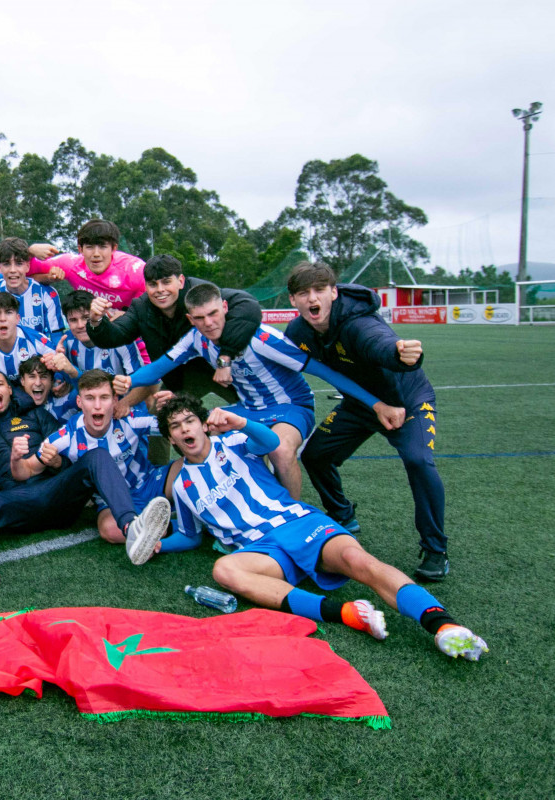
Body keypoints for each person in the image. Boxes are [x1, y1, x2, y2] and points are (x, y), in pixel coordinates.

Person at [149, 394, 487, 661]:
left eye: (189, 420)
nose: (184, 429)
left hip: (298, 522)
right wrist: (162, 545)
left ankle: (442, 625)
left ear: (202, 424)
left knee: (361, 563)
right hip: (262, 550)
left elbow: (270, 443)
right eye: (175, 426)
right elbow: (191, 536)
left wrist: (242, 422)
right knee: (225, 569)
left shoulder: (235, 443)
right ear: (171, 438)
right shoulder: (182, 486)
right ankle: (347, 613)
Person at [128, 282, 403, 500]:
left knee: (281, 451)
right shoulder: (195, 339)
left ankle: (293, 517)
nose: (208, 323)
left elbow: (326, 373)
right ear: (190, 318)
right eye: (199, 318)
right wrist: (124, 383)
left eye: (213, 313)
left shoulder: (262, 339)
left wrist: (377, 405)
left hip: (290, 408)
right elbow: (157, 369)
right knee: (194, 434)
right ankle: (217, 501)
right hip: (248, 409)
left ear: (225, 307)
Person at [285, 262, 451, 581]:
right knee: (315, 455)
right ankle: (343, 517)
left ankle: (435, 550)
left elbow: (380, 342)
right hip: (362, 404)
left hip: (407, 403)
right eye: (303, 293)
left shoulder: (357, 322)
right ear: (294, 301)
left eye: (319, 290)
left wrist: (399, 352)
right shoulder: (297, 332)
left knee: (418, 459)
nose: (312, 298)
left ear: (333, 292)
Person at [0, 369, 169, 589]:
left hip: (55, 495)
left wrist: (57, 463)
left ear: (10, 389)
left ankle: (132, 527)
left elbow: (71, 458)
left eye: (0, 384)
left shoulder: (37, 416)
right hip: (17, 504)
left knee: (96, 455)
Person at [86, 254, 262, 406]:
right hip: (176, 380)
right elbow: (115, 336)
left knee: (250, 412)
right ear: (146, 286)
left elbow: (247, 305)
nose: (160, 290)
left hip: (221, 372)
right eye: (153, 284)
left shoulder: (198, 294)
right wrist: (96, 319)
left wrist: (225, 356)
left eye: (166, 282)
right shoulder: (141, 307)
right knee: (164, 418)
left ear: (181, 281)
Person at [26, 370, 176, 546]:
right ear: (80, 402)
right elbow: (26, 468)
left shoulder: (129, 419)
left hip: (149, 481)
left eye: (104, 397)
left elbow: (178, 426)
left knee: (187, 472)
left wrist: (174, 408)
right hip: (109, 502)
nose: (97, 406)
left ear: (114, 400)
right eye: (90, 398)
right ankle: (170, 526)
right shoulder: (66, 437)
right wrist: (15, 458)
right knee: (110, 531)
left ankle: (155, 522)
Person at [0, 237, 65, 337]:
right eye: (7, 264)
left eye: (19, 263)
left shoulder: (47, 294)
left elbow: (57, 337)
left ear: (27, 266)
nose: (13, 270)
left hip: (39, 353)